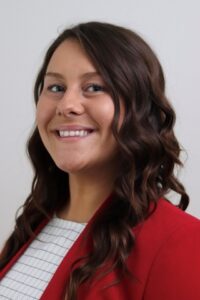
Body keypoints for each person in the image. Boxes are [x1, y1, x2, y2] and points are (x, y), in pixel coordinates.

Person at [0, 21, 200, 300]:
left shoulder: (182, 242)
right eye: (55, 87)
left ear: (140, 108)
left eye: (93, 87)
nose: (67, 104)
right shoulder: (31, 226)